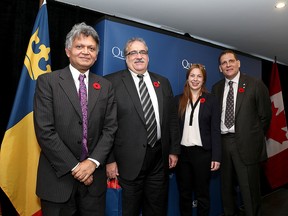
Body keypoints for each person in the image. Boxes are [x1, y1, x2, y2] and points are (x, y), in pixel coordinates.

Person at [33, 22, 117, 216]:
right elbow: (45, 131)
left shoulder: (106, 86)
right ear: (68, 50)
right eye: (80, 46)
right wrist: (77, 167)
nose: (86, 52)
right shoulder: (48, 82)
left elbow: (110, 129)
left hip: (94, 184)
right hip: (57, 180)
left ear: (96, 55)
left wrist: (92, 162)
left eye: (91, 48)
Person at [104, 37, 181, 216]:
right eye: (133, 52)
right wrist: (110, 160)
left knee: (156, 208)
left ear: (148, 56)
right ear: (126, 57)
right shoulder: (111, 83)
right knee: (129, 210)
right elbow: (105, 124)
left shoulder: (162, 82)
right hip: (127, 161)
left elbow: (171, 119)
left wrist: (174, 150)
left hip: (158, 158)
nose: (139, 56)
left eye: (143, 52)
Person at [211, 50, 272, 216]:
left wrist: (252, 137)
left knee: (249, 190)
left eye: (231, 61)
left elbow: (265, 116)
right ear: (220, 68)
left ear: (238, 63)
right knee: (226, 189)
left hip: (247, 145)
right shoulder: (216, 88)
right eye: (224, 63)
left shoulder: (255, 84)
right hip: (223, 144)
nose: (228, 65)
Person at [175, 64, 221, 216]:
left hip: (203, 154)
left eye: (199, 76)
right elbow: (173, 130)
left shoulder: (212, 100)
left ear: (204, 79)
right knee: (184, 194)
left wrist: (216, 156)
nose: (195, 79)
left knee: (202, 195)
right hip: (183, 155)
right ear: (187, 78)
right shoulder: (178, 100)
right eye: (192, 76)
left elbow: (215, 130)